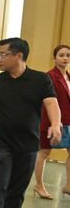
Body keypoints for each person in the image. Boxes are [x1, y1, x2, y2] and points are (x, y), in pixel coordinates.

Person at [0, 38, 62, 208]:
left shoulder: (40, 80)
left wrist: (56, 124)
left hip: (27, 143)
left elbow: (51, 103)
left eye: (3, 54)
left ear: (18, 55)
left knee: (18, 186)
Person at [33, 44, 70, 199]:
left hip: (68, 120)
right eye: (61, 55)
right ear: (54, 58)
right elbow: (47, 102)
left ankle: (68, 186)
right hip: (51, 121)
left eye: (68, 55)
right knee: (44, 152)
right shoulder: (49, 76)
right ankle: (39, 185)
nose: (65, 58)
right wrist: (52, 122)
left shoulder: (68, 77)